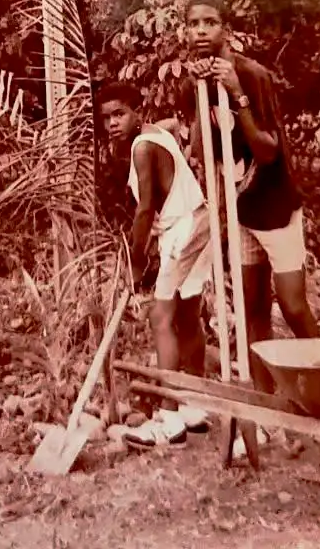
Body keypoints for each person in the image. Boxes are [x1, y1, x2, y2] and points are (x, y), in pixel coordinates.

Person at [181, 0, 320, 457]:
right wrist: (203, 91)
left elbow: (267, 151)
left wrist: (235, 92)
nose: (201, 31)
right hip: (240, 211)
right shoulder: (197, 79)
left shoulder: (253, 75)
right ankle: (264, 414)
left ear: (225, 28)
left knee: (293, 305)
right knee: (252, 308)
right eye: (193, 24)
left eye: (210, 22)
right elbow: (201, 151)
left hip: (276, 208)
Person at [98, 82, 212, 449]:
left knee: (161, 319)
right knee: (189, 315)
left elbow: (145, 209)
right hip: (201, 221)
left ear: (137, 112)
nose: (113, 124)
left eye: (120, 114)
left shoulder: (143, 147)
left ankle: (169, 419)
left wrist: (135, 258)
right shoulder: (157, 132)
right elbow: (176, 126)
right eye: (106, 118)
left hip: (183, 230)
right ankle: (194, 406)